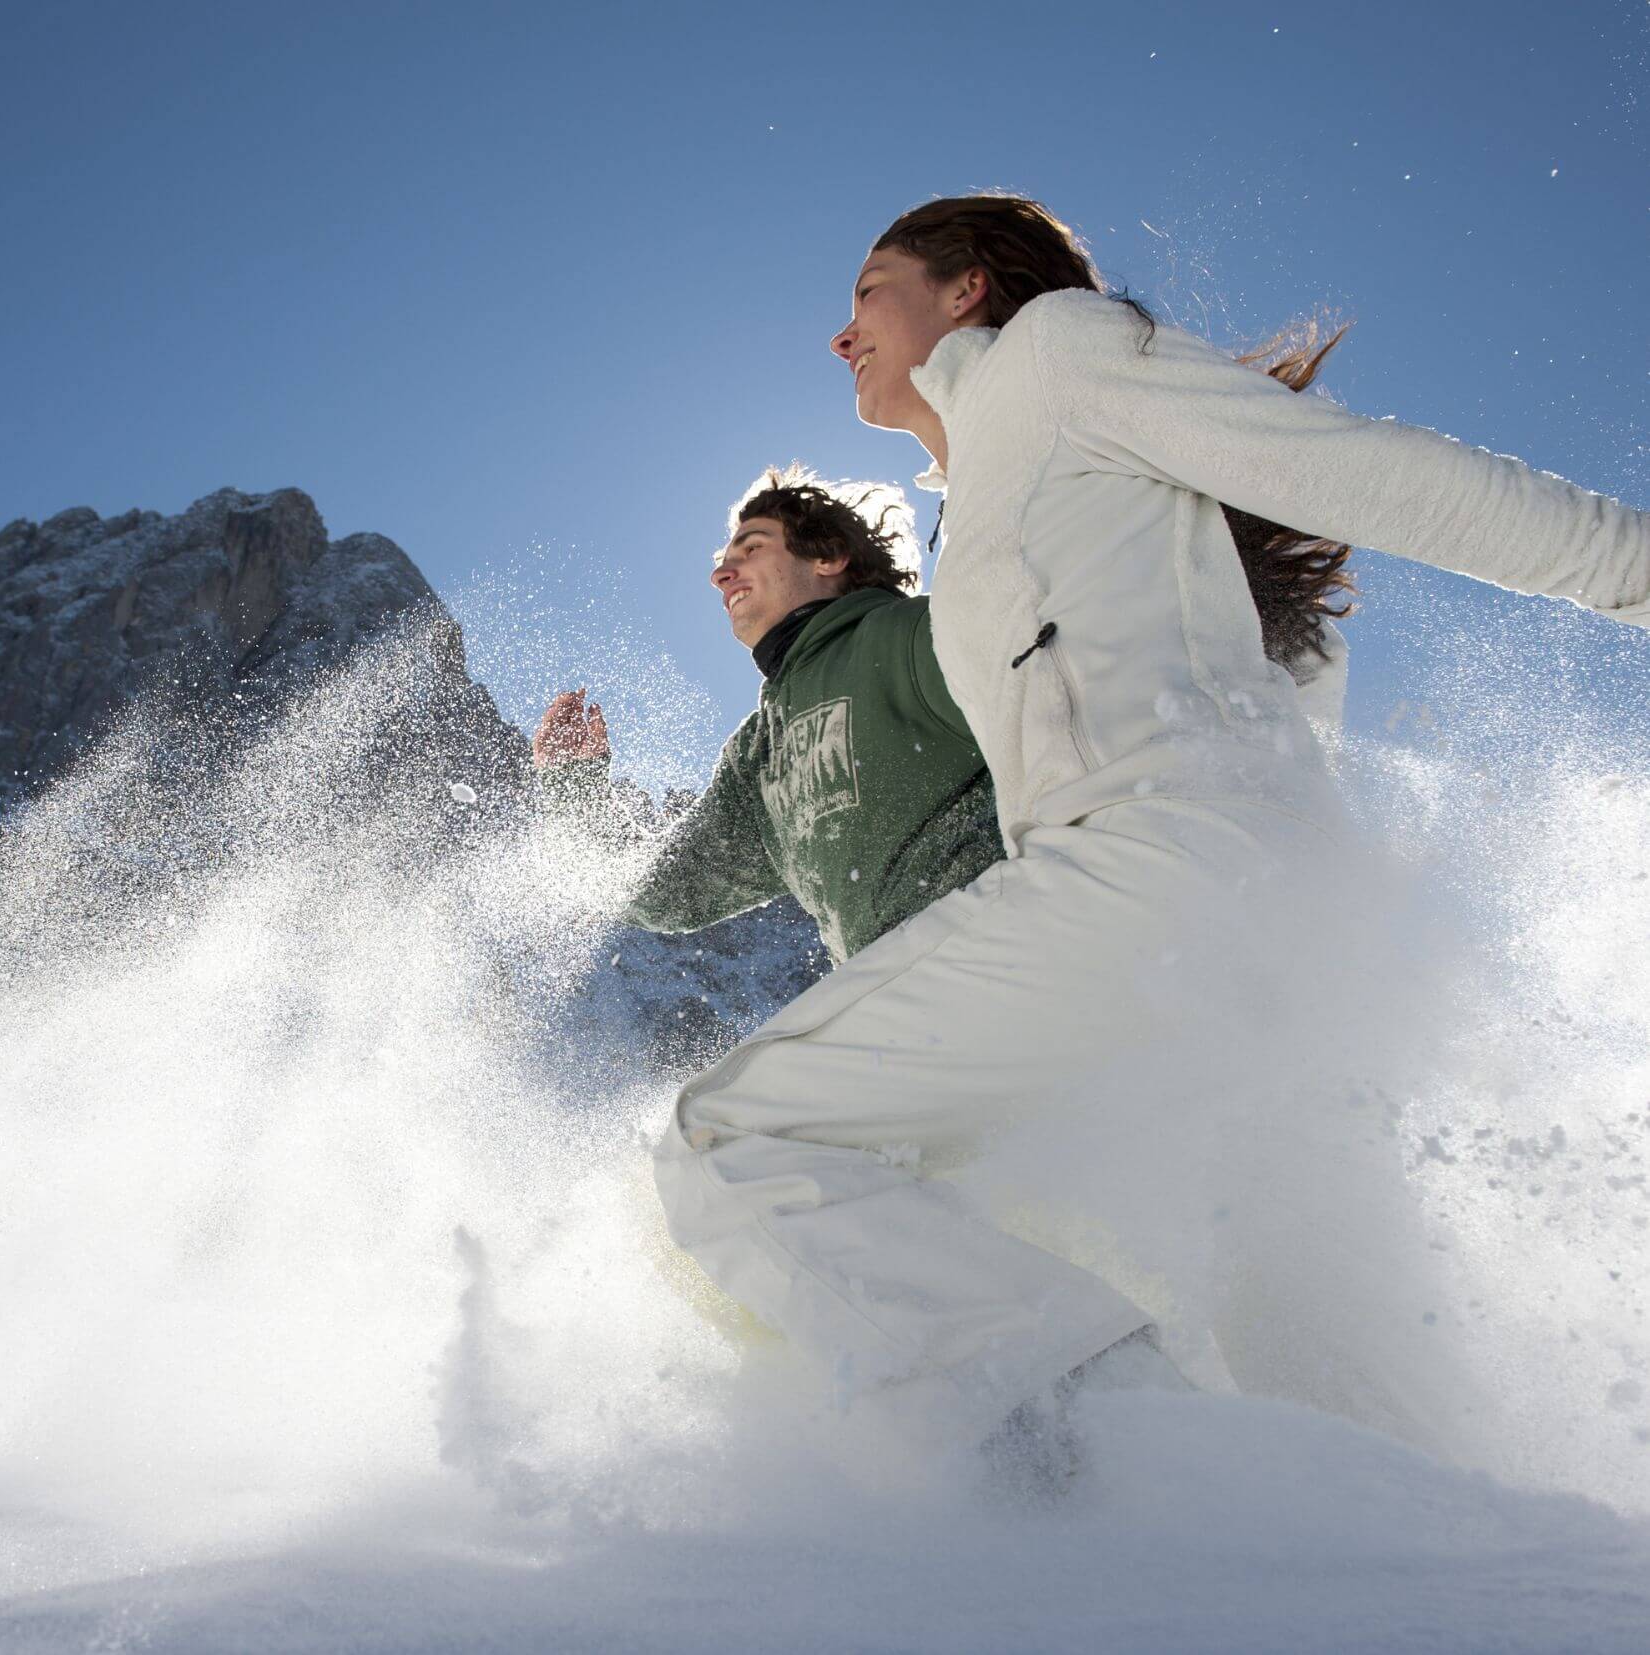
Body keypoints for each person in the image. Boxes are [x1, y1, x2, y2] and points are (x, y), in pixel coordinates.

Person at [639, 192, 1650, 1463]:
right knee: (1329, 1409)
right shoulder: (1015, 472)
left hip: (1158, 863)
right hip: (1243, 927)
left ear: (964, 290)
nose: (841, 333)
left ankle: (1126, 1470)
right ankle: (1406, 1560)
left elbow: (1373, 473)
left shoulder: (1055, 353)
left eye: (867, 290)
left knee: (739, 1138)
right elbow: (1274, 674)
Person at [532, 468, 999, 969]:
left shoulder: (910, 638)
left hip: (1020, 967)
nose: (721, 575)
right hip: (903, 1014)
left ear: (829, 557)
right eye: (723, 563)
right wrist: (571, 783)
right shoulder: (759, 753)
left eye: (752, 549)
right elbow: (663, 891)